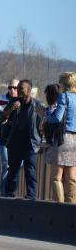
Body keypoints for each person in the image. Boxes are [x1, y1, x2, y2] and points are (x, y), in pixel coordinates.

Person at [2, 80, 44, 200]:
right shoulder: (13, 102)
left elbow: (43, 123)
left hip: (31, 144)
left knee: (30, 172)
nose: (18, 91)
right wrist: (11, 109)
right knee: (13, 172)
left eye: (21, 88)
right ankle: (9, 196)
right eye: (18, 88)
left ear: (29, 90)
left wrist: (41, 136)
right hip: (15, 144)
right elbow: (2, 118)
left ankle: (31, 197)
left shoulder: (37, 105)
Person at [44, 72, 76, 203]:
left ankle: (59, 208)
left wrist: (46, 119)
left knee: (56, 177)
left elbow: (57, 117)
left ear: (63, 84)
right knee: (72, 177)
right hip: (75, 140)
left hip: (63, 139)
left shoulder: (64, 96)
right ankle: (72, 208)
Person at [0, 79, 19, 196]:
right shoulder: (0, 103)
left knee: (16, 168)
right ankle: (3, 194)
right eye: (10, 87)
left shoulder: (24, 102)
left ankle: (11, 193)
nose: (12, 90)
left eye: (15, 88)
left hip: (19, 141)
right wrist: (1, 122)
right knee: (7, 165)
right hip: (4, 141)